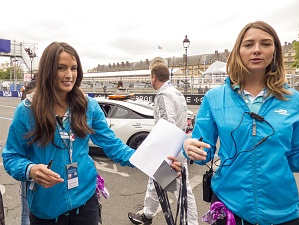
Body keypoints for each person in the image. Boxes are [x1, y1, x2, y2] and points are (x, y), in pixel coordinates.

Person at [1, 42, 182, 225]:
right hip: (46, 210)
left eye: (74, 68)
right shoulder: (27, 111)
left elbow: (114, 146)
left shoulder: (88, 106)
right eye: (61, 68)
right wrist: (29, 170)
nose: (69, 75)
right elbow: (11, 156)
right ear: (48, 70)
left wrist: (156, 164)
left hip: (86, 203)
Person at [183, 21, 299, 225]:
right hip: (229, 208)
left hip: (283, 211)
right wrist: (188, 147)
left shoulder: (294, 100)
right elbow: (203, 152)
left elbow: (295, 158)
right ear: (238, 51)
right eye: (248, 45)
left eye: (265, 44)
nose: (256, 50)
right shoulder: (214, 97)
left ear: (275, 51)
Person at [128, 63, 199, 225]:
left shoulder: (163, 95)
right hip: (178, 144)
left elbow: (168, 123)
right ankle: (147, 214)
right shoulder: (177, 93)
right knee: (156, 181)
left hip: (169, 148)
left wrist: (162, 151)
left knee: (182, 190)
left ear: (154, 77)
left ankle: (190, 223)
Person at [19, 77, 37, 225]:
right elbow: (12, 156)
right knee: (27, 213)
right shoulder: (23, 115)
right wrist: (29, 169)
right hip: (30, 175)